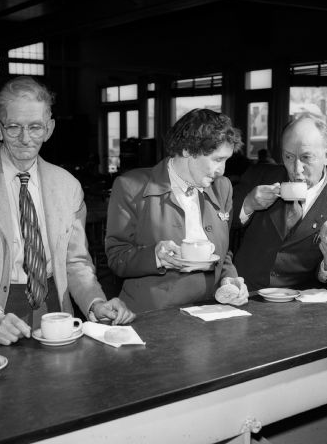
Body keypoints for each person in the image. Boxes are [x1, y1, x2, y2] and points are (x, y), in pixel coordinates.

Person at [0, 76, 135, 345]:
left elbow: (76, 262)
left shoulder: (68, 186)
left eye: (35, 127)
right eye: (13, 127)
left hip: (55, 308)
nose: (25, 138)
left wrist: (95, 303)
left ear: (49, 128)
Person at [105, 109, 247, 313]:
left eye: (226, 160)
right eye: (217, 160)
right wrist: (155, 256)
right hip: (153, 314)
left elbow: (222, 255)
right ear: (188, 150)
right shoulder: (130, 187)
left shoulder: (222, 187)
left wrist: (230, 281)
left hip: (210, 310)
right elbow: (116, 258)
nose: (222, 171)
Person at [232, 115, 327, 291]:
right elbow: (222, 222)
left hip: (299, 305)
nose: (296, 169)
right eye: (288, 157)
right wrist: (247, 205)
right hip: (243, 292)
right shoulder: (258, 176)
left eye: (306, 157)